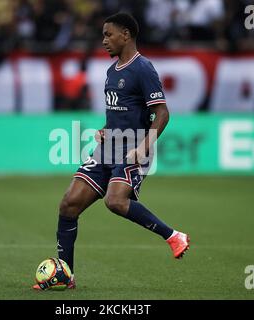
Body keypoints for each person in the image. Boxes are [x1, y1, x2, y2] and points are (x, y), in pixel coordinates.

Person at [33, 12, 190, 290]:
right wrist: (106, 128)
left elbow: (162, 113)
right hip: (108, 147)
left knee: (115, 201)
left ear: (126, 34)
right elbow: (121, 111)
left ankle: (174, 235)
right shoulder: (111, 71)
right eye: (103, 35)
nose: (104, 40)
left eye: (108, 34)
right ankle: (65, 274)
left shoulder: (143, 68)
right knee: (69, 204)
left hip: (133, 148)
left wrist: (144, 146)